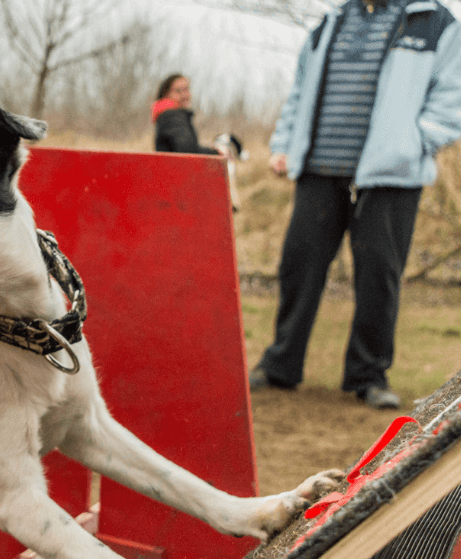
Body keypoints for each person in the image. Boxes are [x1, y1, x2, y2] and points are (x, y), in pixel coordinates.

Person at [250, 0, 461, 409]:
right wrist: (283, 147)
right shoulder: (331, 21)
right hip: (319, 169)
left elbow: (453, 95)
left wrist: (414, 145)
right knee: (297, 265)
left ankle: (369, 375)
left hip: (390, 176)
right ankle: (280, 364)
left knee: (379, 273)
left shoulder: (434, 23)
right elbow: (300, 93)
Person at [152, 74, 222, 155]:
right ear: (166, 93)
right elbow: (187, 150)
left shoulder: (170, 115)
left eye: (186, 89)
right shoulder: (171, 116)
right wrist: (217, 153)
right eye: (178, 91)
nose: (184, 95)